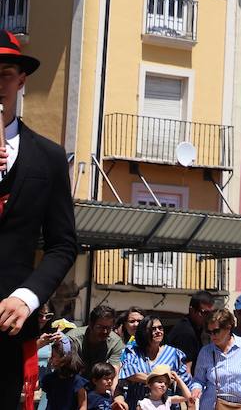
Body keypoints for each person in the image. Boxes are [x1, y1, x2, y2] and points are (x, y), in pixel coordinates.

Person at [0, 32, 79, 410]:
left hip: (9, 329)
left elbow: (63, 244)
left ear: (21, 79)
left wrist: (27, 297)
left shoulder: (48, 157)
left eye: (5, 73)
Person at [119, 316, 199, 407]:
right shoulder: (133, 352)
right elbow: (130, 373)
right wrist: (161, 380)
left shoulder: (174, 354)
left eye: (160, 328)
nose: (158, 331)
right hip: (137, 404)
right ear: (144, 332)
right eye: (153, 329)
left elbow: (185, 381)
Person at [193, 309, 241, 410]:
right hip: (211, 406)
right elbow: (199, 380)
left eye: (216, 331)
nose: (212, 336)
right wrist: (196, 388)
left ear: (228, 328)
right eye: (209, 332)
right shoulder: (205, 352)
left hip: (239, 407)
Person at [63, 306, 123, 379]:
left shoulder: (115, 342)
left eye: (108, 328)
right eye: (100, 327)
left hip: (98, 384)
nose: (105, 331)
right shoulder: (72, 339)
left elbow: (114, 373)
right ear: (91, 325)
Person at [163, 292, 214, 368]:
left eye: (211, 313)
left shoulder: (197, 327)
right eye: (205, 313)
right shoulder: (185, 332)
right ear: (192, 310)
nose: (208, 317)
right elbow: (186, 367)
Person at [38, 340, 86, 410]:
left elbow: (83, 405)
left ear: (64, 358)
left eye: (53, 356)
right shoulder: (49, 379)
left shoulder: (78, 382)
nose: (50, 359)